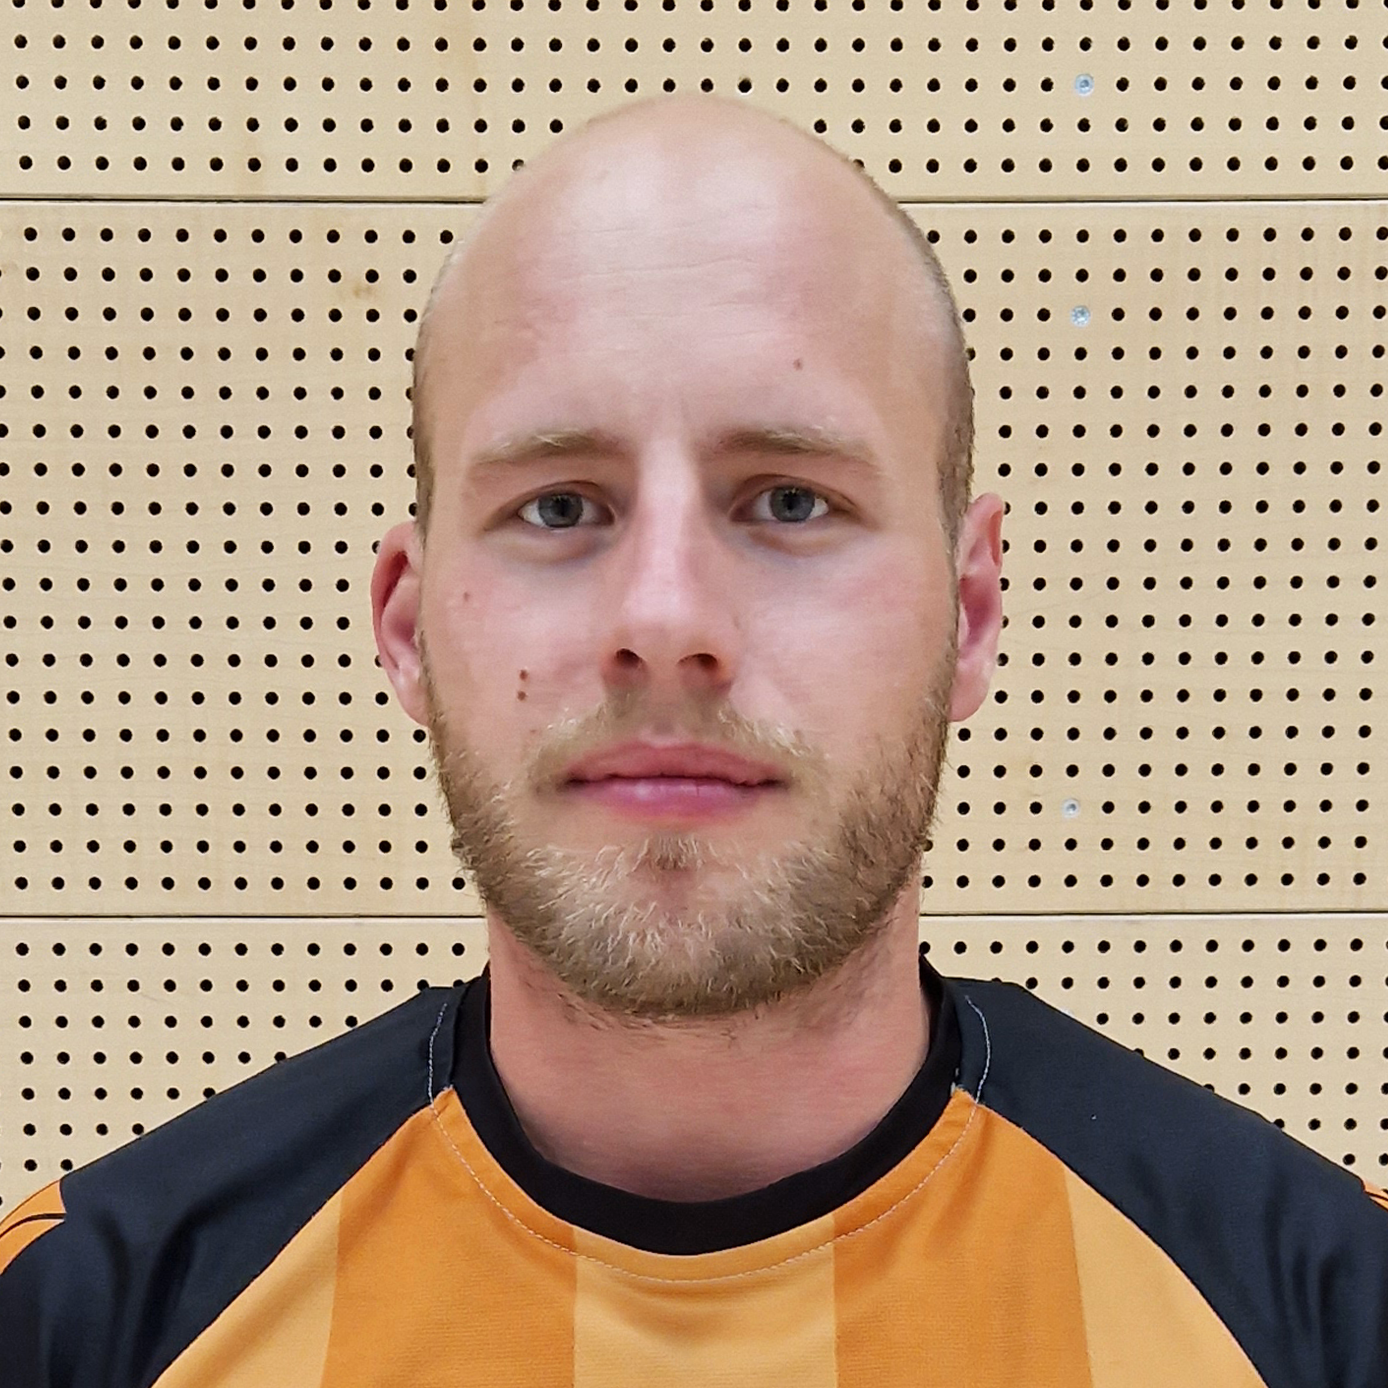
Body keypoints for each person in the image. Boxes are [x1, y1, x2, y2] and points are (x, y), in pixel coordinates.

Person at [1, 93, 1384, 1388]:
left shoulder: (1325, 1315)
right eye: (559, 505)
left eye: (789, 500)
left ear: (968, 616)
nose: (664, 620)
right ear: (409, 628)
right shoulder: (84, 1323)